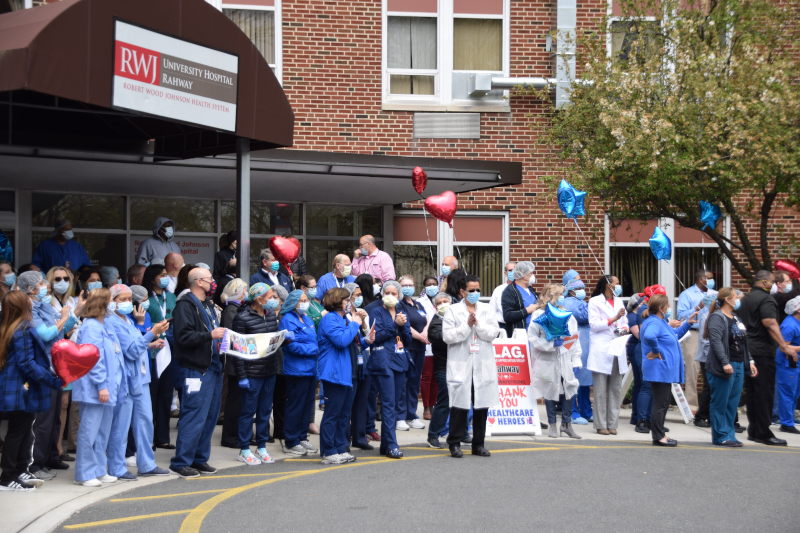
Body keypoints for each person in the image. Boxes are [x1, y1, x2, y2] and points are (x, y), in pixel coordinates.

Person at [0, 291, 63, 491]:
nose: (32, 300)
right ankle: (7, 477)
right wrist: (52, 380)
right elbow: (27, 363)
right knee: (19, 431)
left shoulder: (8, 326)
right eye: (28, 299)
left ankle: (19, 470)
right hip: (22, 387)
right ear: (23, 305)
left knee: (23, 429)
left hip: (15, 386)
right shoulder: (23, 328)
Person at [106, 285, 170, 477]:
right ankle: (117, 467)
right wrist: (151, 333)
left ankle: (147, 464)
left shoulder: (127, 320)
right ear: (111, 301)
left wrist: (150, 343)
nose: (127, 303)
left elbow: (136, 345)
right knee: (121, 425)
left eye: (129, 299)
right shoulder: (112, 322)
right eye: (122, 299)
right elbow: (131, 351)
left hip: (140, 378)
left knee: (145, 422)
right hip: (125, 380)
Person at [169, 267, 226, 478]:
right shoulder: (185, 305)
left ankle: (199, 459)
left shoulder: (207, 304)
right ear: (199, 282)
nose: (214, 282)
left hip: (213, 368)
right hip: (196, 369)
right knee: (193, 416)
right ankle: (181, 462)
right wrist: (209, 335)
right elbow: (183, 337)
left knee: (210, 416)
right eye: (210, 278)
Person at [19, 271, 75, 478]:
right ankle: (35, 465)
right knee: (42, 421)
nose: (46, 285)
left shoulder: (44, 306)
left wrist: (71, 315)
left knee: (54, 419)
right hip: (42, 370)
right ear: (30, 288)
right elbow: (45, 335)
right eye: (41, 283)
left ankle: (51, 456)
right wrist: (65, 317)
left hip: (55, 368)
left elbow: (59, 332)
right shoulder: (29, 308)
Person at [738, 271, 799, 446]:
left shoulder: (745, 298)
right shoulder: (766, 300)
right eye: (774, 282)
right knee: (764, 392)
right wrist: (784, 345)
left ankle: (754, 429)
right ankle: (764, 433)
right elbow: (770, 322)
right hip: (762, 351)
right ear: (765, 282)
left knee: (752, 392)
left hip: (748, 349)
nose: (778, 285)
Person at [442, 275, 500, 458]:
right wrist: (466, 327)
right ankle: (454, 443)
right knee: (459, 406)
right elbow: (448, 337)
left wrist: (478, 324)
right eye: (472, 290)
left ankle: (478, 444)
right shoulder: (452, 311)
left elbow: (493, 333)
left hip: (482, 365)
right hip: (461, 364)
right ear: (462, 292)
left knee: (481, 407)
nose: (475, 293)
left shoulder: (487, 309)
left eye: (478, 290)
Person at [73, 288, 125, 487]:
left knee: (102, 432)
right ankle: (84, 473)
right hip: (95, 388)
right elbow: (93, 359)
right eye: (112, 300)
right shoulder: (91, 327)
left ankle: (98, 469)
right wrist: (102, 385)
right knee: (89, 431)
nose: (115, 304)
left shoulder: (105, 325)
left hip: (108, 387)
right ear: (103, 304)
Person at [231, 283, 280, 466]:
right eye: (271, 297)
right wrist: (242, 376)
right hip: (251, 373)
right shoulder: (242, 318)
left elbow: (271, 342)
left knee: (265, 411)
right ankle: (244, 449)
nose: (274, 300)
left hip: (269, 371)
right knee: (247, 411)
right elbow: (237, 349)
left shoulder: (271, 316)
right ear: (259, 299)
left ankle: (261, 447)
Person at [318, 287, 369, 464]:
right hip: (334, 373)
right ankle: (328, 451)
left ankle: (340, 448)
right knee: (332, 414)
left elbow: (350, 342)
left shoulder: (342, 319)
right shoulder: (330, 319)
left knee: (343, 414)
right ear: (337, 302)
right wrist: (355, 322)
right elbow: (340, 341)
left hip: (346, 372)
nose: (350, 303)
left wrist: (365, 340)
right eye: (347, 300)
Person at [528, 284, 583, 439]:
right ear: (551, 296)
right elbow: (532, 337)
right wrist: (550, 344)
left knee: (569, 388)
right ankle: (552, 423)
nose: (562, 297)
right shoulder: (539, 314)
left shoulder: (567, 314)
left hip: (565, 357)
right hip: (547, 357)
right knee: (550, 389)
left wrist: (576, 359)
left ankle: (566, 424)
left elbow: (574, 339)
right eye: (560, 294)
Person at [640, 294, 695, 447]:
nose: (669, 308)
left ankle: (660, 434)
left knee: (662, 403)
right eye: (668, 306)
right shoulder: (654, 323)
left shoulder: (661, 321)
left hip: (662, 370)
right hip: (659, 370)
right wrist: (656, 351)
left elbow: (674, 335)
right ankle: (658, 437)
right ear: (661, 308)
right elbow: (650, 336)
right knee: (661, 404)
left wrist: (688, 323)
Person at [704, 287, 757, 447]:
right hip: (724, 365)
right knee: (720, 402)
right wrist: (725, 362)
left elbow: (743, 342)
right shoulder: (717, 317)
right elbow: (716, 342)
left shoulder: (735, 317)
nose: (738, 299)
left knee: (732, 403)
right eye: (736, 297)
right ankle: (720, 436)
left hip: (739, 364)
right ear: (727, 299)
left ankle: (729, 435)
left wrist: (750, 360)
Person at [367, 280, 412, 458]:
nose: (391, 296)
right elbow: (376, 338)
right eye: (388, 293)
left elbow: (407, 339)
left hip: (400, 361)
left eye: (394, 294)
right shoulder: (377, 311)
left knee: (393, 404)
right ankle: (393, 444)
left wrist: (403, 326)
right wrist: (395, 325)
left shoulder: (402, 311)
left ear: (399, 296)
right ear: (383, 294)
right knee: (386, 404)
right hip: (383, 362)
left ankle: (386, 445)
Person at [279, 289, 320, 456]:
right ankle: (291, 440)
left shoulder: (307, 318)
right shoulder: (287, 320)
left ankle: (302, 437)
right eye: (302, 300)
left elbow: (313, 339)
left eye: (306, 299)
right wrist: (314, 349)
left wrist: (314, 349)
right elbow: (291, 346)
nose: (305, 302)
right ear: (294, 302)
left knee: (307, 404)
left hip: (310, 369)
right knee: (295, 405)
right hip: (296, 369)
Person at [587, 275, 628, 435]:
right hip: (601, 349)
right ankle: (600, 424)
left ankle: (612, 424)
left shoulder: (619, 301)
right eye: (616, 283)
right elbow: (594, 325)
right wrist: (613, 319)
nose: (619, 286)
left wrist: (624, 327)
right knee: (600, 389)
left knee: (616, 388)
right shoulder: (595, 301)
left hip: (617, 346)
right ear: (608, 285)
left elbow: (625, 322)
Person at [676, 269, 714, 411]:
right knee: (693, 368)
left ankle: (711, 404)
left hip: (712, 333)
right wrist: (698, 307)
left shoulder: (714, 294)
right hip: (694, 333)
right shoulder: (687, 294)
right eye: (709, 278)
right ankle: (692, 404)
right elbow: (681, 316)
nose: (711, 281)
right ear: (701, 280)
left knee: (712, 367)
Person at [343, 282, 374, 450]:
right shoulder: (344, 315)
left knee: (362, 400)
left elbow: (367, 336)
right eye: (356, 294)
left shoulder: (362, 313)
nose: (359, 297)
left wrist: (363, 323)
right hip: (351, 362)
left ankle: (360, 437)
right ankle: (345, 438)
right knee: (349, 402)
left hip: (364, 359)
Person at [396, 275, 428, 431]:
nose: (408, 287)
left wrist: (426, 333)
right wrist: (420, 336)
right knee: (403, 383)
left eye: (410, 284)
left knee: (415, 383)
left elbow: (427, 320)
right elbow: (405, 325)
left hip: (420, 348)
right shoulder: (399, 305)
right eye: (404, 285)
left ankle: (411, 414)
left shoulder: (418, 304)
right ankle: (400, 416)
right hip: (406, 347)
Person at [219, 278, 248, 448]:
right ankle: (230, 436)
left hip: (238, 360)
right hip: (234, 361)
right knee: (234, 401)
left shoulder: (236, 309)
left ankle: (238, 434)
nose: (247, 294)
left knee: (239, 400)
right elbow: (234, 338)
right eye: (244, 291)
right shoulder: (231, 310)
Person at [426, 292, 453, 449]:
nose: (443, 304)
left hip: (460, 365)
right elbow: (441, 339)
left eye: (446, 301)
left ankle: (462, 432)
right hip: (443, 367)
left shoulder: (459, 319)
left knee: (461, 400)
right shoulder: (436, 323)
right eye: (439, 303)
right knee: (445, 400)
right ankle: (433, 435)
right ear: (436, 307)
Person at [563, 277, 591, 424]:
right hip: (574, 344)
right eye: (579, 289)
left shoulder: (581, 302)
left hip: (585, 345)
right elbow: (585, 316)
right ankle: (573, 412)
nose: (582, 291)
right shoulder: (569, 303)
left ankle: (586, 411)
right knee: (574, 380)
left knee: (585, 381)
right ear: (571, 291)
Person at [693, 291, 719, 428]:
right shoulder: (706, 316)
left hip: (709, 357)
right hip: (707, 357)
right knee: (708, 387)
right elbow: (706, 340)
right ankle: (700, 416)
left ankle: (707, 415)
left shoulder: (712, 315)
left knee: (711, 387)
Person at [775, 296, 800, 435]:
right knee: (787, 393)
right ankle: (786, 423)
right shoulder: (790, 325)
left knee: (794, 393)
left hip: (795, 364)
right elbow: (783, 347)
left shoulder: (797, 322)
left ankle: (789, 418)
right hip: (788, 363)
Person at [417, 276, 439, 420]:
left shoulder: (442, 300)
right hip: (426, 344)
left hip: (440, 344)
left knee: (436, 378)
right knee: (426, 377)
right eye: (428, 285)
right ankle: (426, 408)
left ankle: (433, 405)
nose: (432, 287)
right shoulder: (419, 302)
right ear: (424, 287)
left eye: (434, 284)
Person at [501, 261, 540, 338]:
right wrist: (527, 310)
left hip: (534, 336)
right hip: (520, 336)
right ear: (522, 274)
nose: (533, 275)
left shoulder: (531, 289)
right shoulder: (510, 291)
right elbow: (507, 316)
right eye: (530, 273)